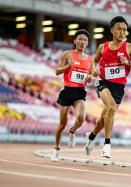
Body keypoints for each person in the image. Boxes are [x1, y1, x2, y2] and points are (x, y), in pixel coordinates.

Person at [84, 16, 131, 158]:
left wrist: (128, 62)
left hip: (119, 87)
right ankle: (107, 144)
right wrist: (94, 71)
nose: (122, 32)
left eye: (124, 30)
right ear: (112, 30)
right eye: (119, 29)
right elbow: (93, 61)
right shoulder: (103, 47)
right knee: (110, 108)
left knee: (104, 118)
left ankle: (90, 139)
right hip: (103, 82)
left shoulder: (130, 48)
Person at [51, 29, 93, 161]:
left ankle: (72, 132)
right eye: (80, 39)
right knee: (62, 124)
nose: (82, 42)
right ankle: (56, 149)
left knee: (81, 118)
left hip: (80, 91)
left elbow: (91, 74)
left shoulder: (90, 59)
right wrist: (67, 67)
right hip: (67, 91)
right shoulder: (67, 54)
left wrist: (89, 78)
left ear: (87, 43)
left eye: (85, 40)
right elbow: (57, 71)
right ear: (75, 41)